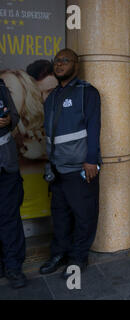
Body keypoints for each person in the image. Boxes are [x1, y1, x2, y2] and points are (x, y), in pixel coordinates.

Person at [39, 48, 101, 279]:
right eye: (56, 61)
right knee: (61, 215)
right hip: (57, 169)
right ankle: (59, 254)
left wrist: (91, 160)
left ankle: (77, 258)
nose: (59, 64)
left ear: (76, 65)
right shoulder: (52, 96)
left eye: (65, 60)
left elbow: (94, 128)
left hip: (80, 168)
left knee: (84, 215)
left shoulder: (87, 92)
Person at [0, 78, 27, 289]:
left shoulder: (1, 86)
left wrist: (8, 120)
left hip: (6, 166)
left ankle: (13, 266)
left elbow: (16, 117)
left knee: (9, 218)